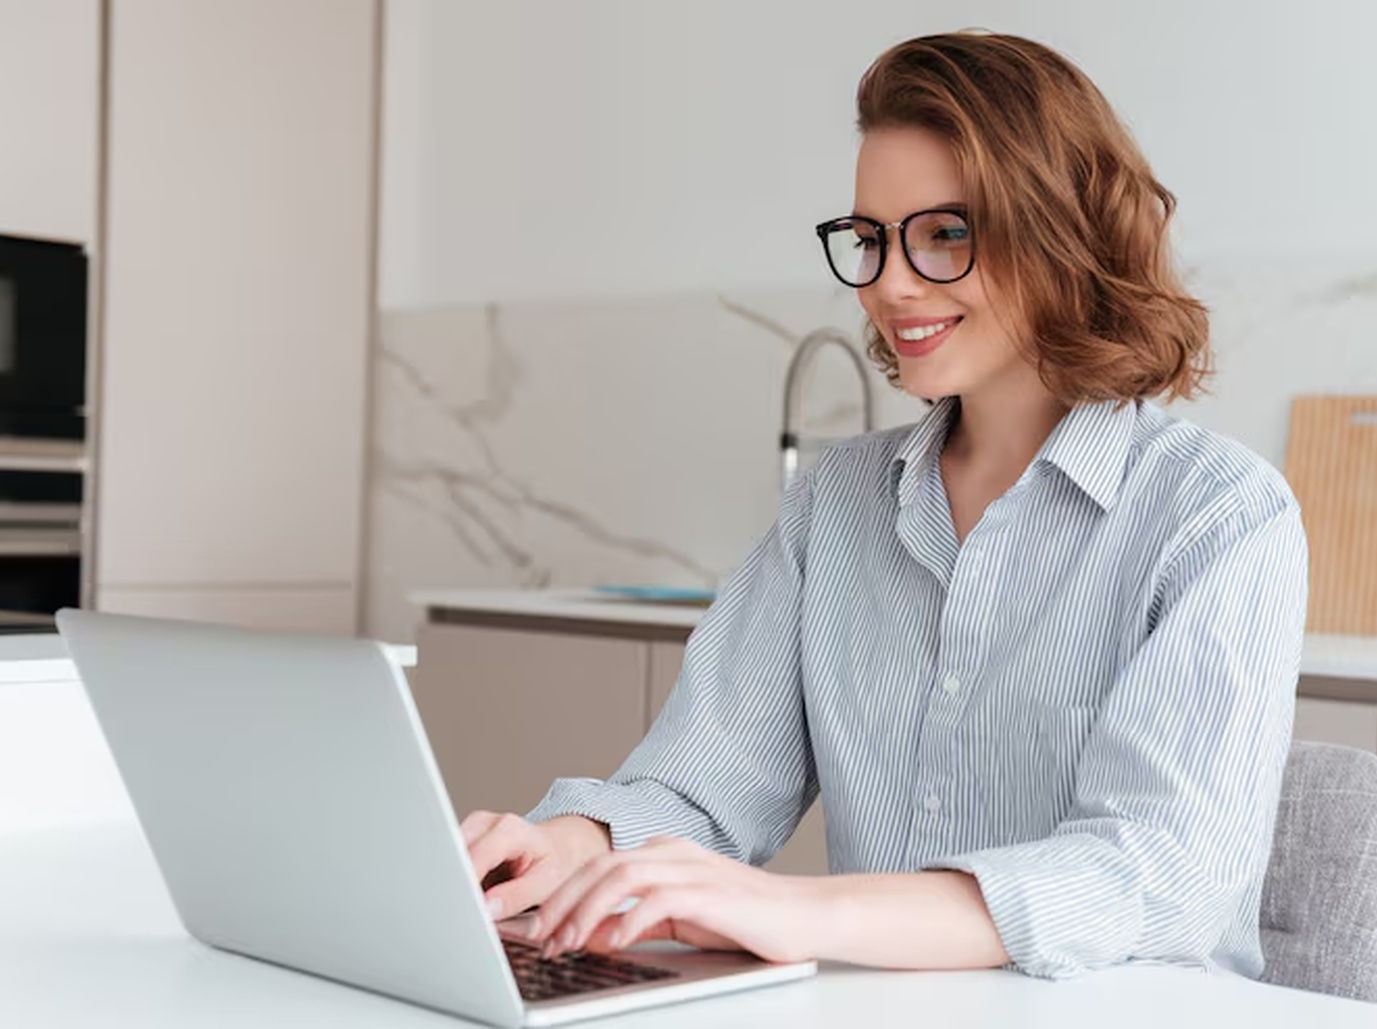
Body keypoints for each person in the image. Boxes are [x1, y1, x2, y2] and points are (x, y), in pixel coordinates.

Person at [459, 31, 1308, 979]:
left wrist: (799, 909)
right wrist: (576, 842)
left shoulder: (1219, 516)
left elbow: (1149, 875)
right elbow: (701, 786)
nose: (889, 283)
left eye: (945, 234)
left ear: (1063, 234)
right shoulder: (838, 502)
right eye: (869, 238)